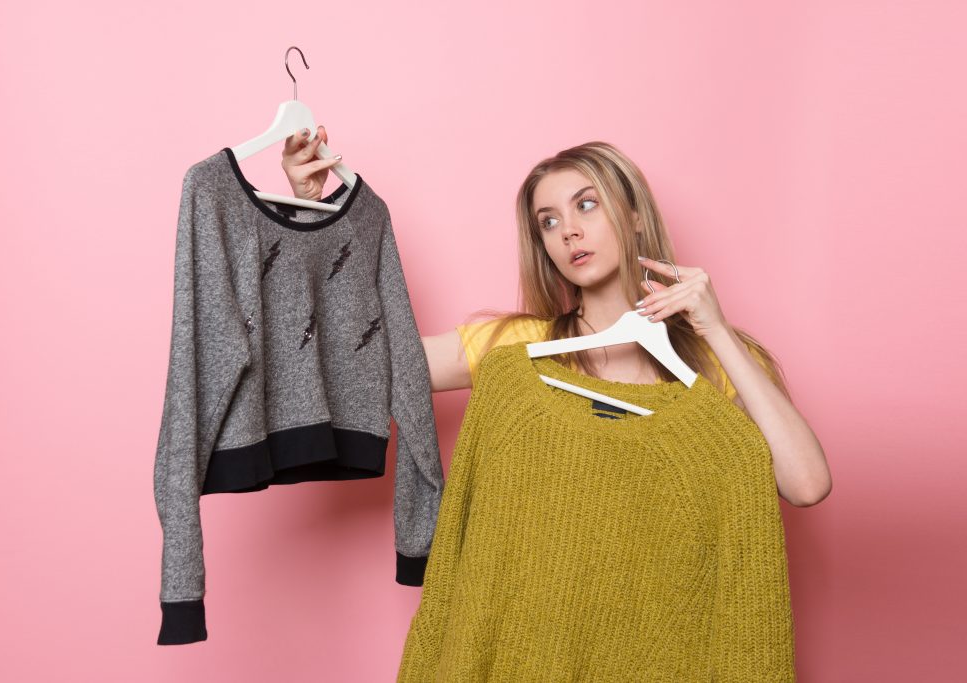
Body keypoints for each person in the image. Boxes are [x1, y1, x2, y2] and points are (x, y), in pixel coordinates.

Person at [280, 125, 831, 508]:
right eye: (548, 220)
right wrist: (311, 214)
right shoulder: (517, 345)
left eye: (586, 205)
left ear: (634, 214)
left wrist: (716, 330)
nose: (567, 230)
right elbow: (356, 364)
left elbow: (807, 486)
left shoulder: (720, 359)